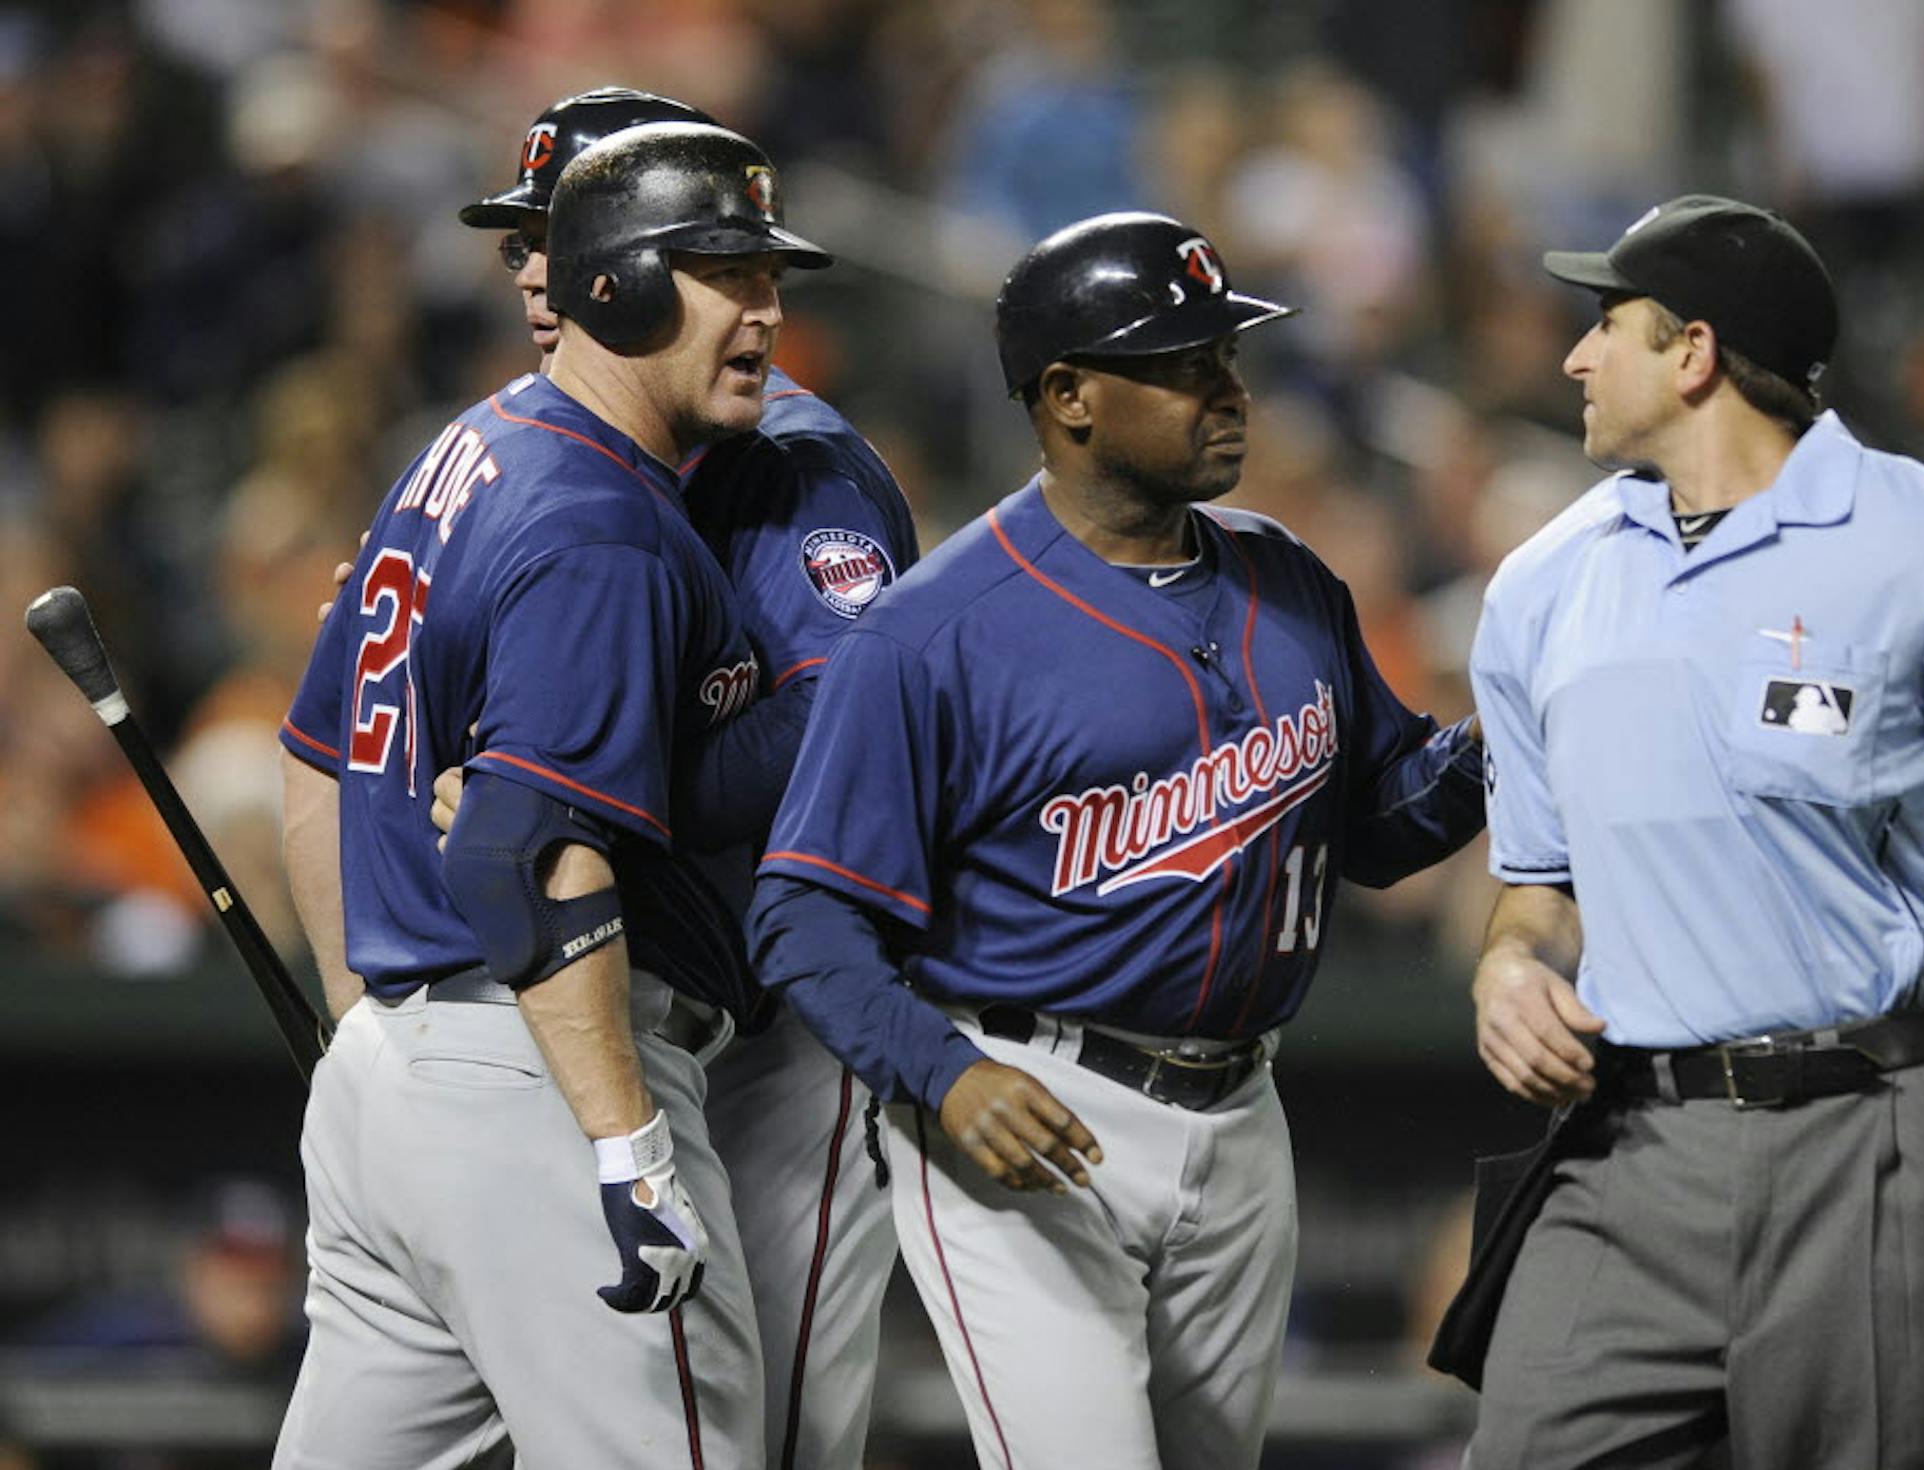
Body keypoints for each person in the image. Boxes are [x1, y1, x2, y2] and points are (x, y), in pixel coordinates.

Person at [746, 211, 1488, 1470]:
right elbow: (804, 916)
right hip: (1026, 1100)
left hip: (1246, 1110)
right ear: (1070, 396)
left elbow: (1379, 825)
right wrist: (941, 1072)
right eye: (1182, 362)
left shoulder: (1289, 579)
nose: (1226, 388)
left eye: (1224, 354)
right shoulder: (932, 633)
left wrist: (1514, 745)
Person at [1464, 193, 1924, 1468]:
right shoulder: (1539, 586)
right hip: (1629, 1152)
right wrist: (1509, 962)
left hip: (1879, 1133)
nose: (1574, 355)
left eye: (1604, 322)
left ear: (1694, 353)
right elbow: (1535, 882)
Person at [273, 120, 832, 1468]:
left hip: (401, 1081)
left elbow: (323, 750)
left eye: (768, 275)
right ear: (616, 285)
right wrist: (624, 1140)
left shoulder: (464, 444)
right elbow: (527, 852)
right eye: (722, 273)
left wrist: (368, 1021)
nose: (765, 309)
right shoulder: (602, 522)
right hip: (550, 1077)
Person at [454, 86, 914, 1470]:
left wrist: (587, 791)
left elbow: (850, 721)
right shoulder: (525, 445)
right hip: (596, 997)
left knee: (761, 1431)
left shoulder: (787, 458)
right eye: (523, 236)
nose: (537, 270)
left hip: (788, 1014)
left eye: (558, 229)